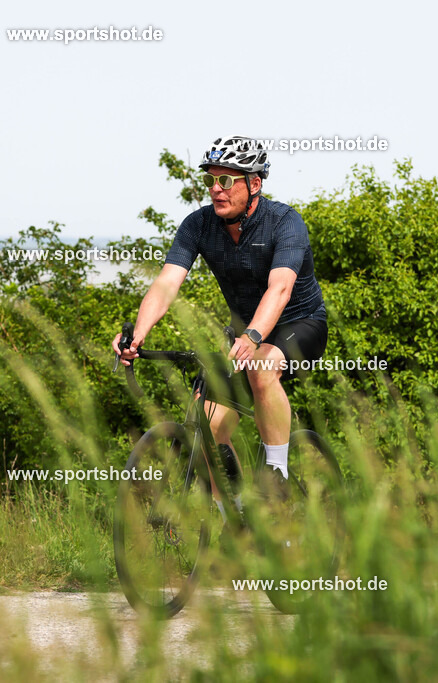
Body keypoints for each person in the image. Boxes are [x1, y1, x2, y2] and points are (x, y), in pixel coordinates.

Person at [112, 135, 327, 493]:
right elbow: (166, 284)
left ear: (254, 183)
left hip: (299, 325)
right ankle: (238, 518)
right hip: (246, 335)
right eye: (210, 180)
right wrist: (138, 333)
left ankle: (277, 473)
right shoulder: (198, 225)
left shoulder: (285, 223)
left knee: (261, 368)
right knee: (209, 427)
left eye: (226, 180)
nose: (216, 189)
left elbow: (280, 289)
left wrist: (254, 336)